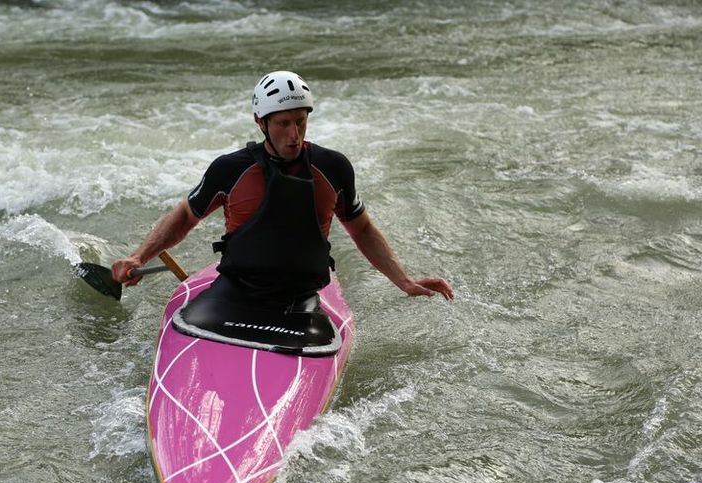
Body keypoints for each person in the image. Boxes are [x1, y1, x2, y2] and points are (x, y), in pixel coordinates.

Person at [111, 71, 454, 318]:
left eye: (300, 122)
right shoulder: (231, 169)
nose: (294, 134)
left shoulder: (332, 168)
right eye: (283, 123)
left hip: (301, 295)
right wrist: (140, 257)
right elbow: (186, 216)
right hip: (237, 288)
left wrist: (404, 281)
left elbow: (361, 229)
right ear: (261, 122)